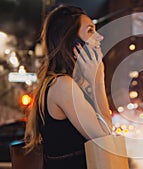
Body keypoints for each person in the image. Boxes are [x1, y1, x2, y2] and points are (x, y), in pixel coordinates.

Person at [24, 4, 112, 169]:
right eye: (90, 30)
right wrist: (98, 81)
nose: (99, 37)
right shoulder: (62, 85)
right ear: (72, 41)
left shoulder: (61, 83)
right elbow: (105, 138)